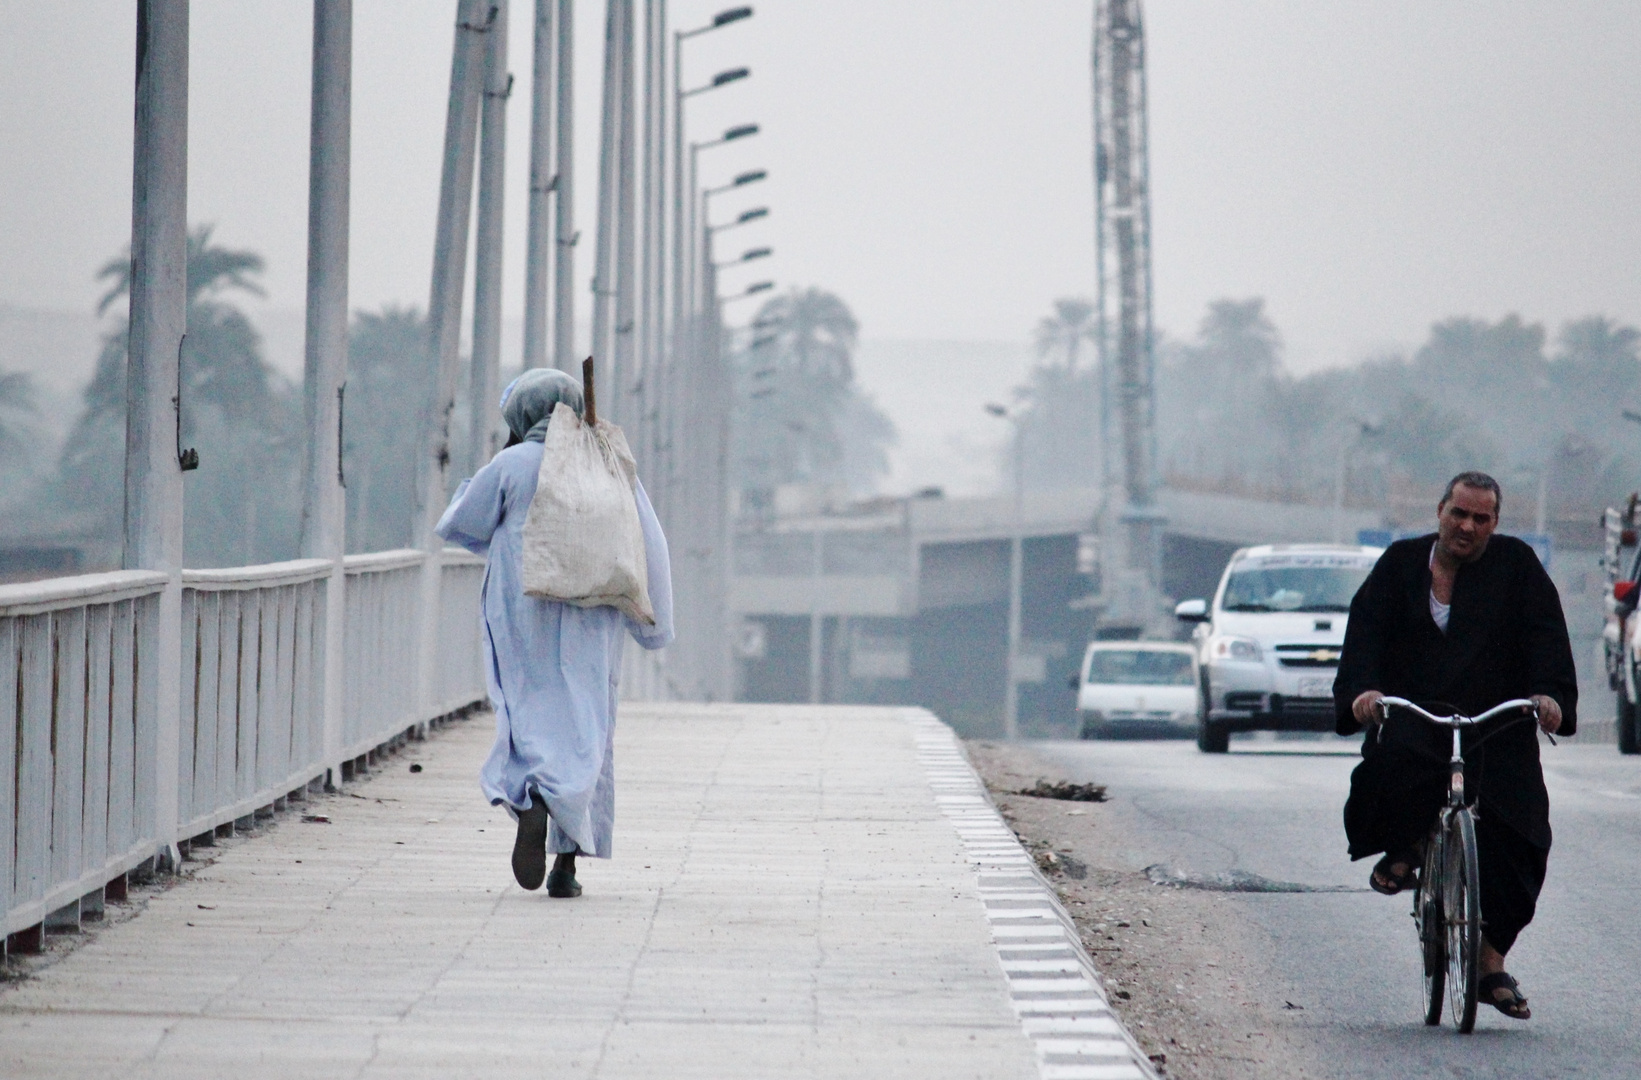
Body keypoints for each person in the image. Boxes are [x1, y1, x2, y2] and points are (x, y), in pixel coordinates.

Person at [1334, 470, 1576, 1020]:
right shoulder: (1399, 565)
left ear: (1494, 523)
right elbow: (1364, 633)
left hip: (1496, 722)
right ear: (1440, 511)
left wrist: (1550, 695)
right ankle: (1410, 846)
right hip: (1418, 713)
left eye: (1480, 519)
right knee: (1394, 763)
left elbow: (1545, 635)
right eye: (1458, 514)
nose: (1467, 526)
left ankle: (1490, 961)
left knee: (1526, 833)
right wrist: (1363, 692)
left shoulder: (1518, 568)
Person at [436, 368, 674, 897]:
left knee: (525, 710)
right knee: (587, 725)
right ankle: (567, 865)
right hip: (593, 621)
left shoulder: (514, 464)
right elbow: (647, 541)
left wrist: (478, 482)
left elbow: (464, 524)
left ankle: (531, 797)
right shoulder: (609, 462)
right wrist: (656, 627)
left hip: (524, 614)